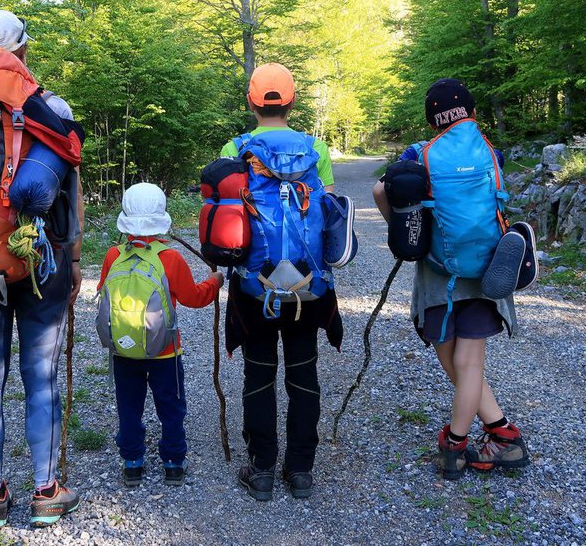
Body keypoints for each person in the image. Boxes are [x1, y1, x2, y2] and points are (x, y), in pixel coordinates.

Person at [0, 9, 84, 528]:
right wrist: (74, 257)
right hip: (42, 259)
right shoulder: (49, 107)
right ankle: (45, 491)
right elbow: (70, 189)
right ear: (25, 51)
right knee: (41, 377)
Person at [372, 78, 531, 480]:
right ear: (471, 112)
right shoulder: (489, 149)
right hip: (488, 268)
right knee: (470, 361)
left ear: (433, 119)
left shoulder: (421, 153)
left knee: (450, 357)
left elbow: (379, 189)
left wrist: (405, 232)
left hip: (437, 271)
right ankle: (502, 437)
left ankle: (455, 444)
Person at [221, 63, 343, 501]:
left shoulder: (235, 148)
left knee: (259, 373)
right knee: (303, 371)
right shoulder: (317, 148)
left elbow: (225, 221)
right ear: (292, 102)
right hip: (309, 285)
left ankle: (263, 469)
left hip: (255, 286)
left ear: (251, 102)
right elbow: (328, 218)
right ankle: (302, 470)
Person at [96, 183, 223, 487]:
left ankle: (132, 463)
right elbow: (193, 298)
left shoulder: (113, 255)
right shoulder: (170, 258)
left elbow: (104, 293)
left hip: (124, 351)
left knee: (128, 405)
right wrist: (216, 281)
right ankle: (174, 463)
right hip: (165, 350)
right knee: (171, 405)